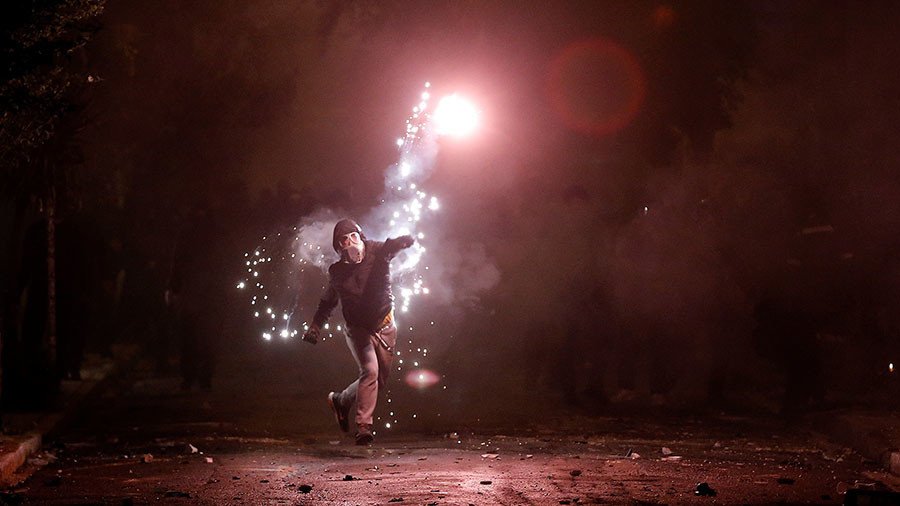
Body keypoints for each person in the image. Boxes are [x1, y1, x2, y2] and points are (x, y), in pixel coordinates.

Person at [301, 219, 414, 445]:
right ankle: (364, 427)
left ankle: (341, 401)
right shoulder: (338, 272)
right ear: (339, 248)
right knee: (370, 372)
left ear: (361, 236)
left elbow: (388, 248)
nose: (350, 243)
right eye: (343, 241)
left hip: (385, 326)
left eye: (353, 237)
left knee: (377, 380)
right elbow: (328, 301)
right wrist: (315, 327)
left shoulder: (377, 251)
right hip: (357, 330)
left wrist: (401, 243)